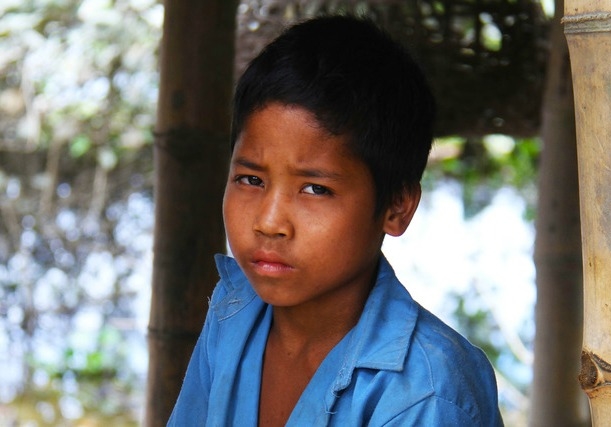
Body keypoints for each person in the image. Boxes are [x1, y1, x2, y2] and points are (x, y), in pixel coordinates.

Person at [168, 15, 503, 426]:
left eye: (315, 189)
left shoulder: (425, 392)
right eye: (251, 179)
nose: (270, 222)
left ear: (396, 207)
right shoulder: (234, 311)